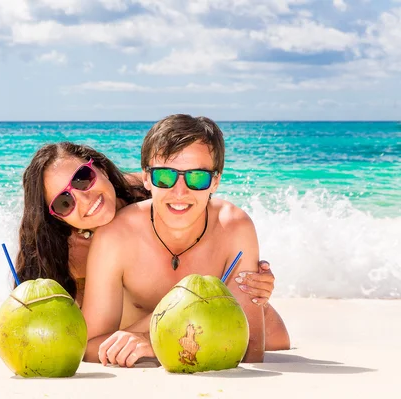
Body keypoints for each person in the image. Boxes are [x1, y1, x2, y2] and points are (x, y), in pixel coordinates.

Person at [80, 115, 290, 367]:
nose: (180, 192)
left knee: (276, 335)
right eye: (165, 177)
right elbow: (90, 347)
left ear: (215, 181)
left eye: (197, 177)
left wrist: (158, 343)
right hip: (203, 334)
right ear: (146, 178)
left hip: (268, 334)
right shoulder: (116, 236)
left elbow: (252, 350)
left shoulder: (234, 226)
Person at [15, 142, 277, 313]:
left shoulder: (153, 190)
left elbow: (212, 224)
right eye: (64, 202)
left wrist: (251, 273)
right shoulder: (63, 258)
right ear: (57, 217)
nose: (84, 199)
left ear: (101, 168)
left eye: (82, 179)